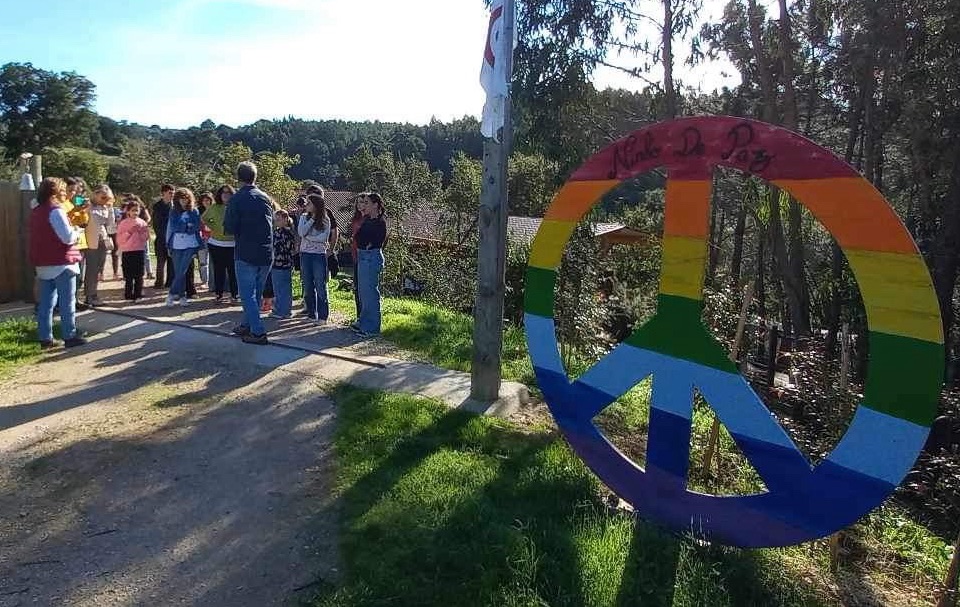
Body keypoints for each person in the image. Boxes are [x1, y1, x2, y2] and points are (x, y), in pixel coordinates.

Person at [29, 177, 88, 349]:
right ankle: (69, 335)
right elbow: (67, 237)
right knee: (67, 301)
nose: (67, 194)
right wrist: (77, 231)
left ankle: (45, 338)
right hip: (62, 262)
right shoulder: (56, 211)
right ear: (55, 192)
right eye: (63, 190)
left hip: (43, 263)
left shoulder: (36, 210)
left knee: (46, 303)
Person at [223, 161, 274, 345]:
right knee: (256, 293)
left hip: (246, 252)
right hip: (266, 252)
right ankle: (247, 324)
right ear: (255, 177)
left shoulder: (236, 199)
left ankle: (258, 332)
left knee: (247, 295)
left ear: (239, 178)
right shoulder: (264, 197)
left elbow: (229, 227)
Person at [353, 192, 387, 337]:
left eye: (367, 202)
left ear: (375, 205)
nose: (364, 205)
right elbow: (358, 237)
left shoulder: (380, 222)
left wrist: (366, 244)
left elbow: (376, 240)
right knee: (363, 293)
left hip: (370, 257)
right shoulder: (366, 219)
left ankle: (372, 328)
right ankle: (364, 322)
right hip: (362, 256)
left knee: (370, 294)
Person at [297, 192, 333, 325]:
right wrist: (312, 219)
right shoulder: (303, 217)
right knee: (307, 284)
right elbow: (301, 233)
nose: (306, 205)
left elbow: (323, 238)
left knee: (320, 285)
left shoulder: (326, 220)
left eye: (309, 203)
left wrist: (309, 238)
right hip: (305, 254)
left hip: (318, 255)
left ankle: (323, 316)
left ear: (317, 205)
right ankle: (311, 314)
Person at [165, 187, 202, 307]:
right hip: (176, 244)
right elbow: (175, 227)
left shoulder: (194, 211)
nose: (184, 201)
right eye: (181, 199)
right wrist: (187, 226)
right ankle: (181, 296)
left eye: (186, 199)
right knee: (178, 272)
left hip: (190, 244)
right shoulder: (173, 211)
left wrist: (187, 227)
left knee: (183, 270)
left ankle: (171, 294)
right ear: (177, 199)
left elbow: (196, 226)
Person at [202, 184, 238, 303]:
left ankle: (234, 295)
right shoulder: (214, 207)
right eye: (224, 193)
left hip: (233, 244)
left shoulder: (236, 207)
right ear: (220, 194)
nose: (226, 195)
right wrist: (213, 228)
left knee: (233, 271)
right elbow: (204, 218)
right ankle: (219, 294)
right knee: (219, 270)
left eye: (229, 193)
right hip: (216, 244)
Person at [83, 184, 117, 306]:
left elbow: (111, 228)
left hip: (103, 240)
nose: (105, 200)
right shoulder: (89, 206)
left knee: (98, 269)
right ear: (95, 195)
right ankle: (89, 295)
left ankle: (94, 294)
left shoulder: (106, 208)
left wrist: (111, 209)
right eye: (103, 197)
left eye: (107, 198)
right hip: (91, 240)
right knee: (91, 269)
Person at [117, 199, 150, 301]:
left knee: (139, 274)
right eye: (133, 210)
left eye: (137, 210)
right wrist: (129, 232)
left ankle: (138, 293)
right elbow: (120, 239)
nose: (135, 212)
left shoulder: (142, 223)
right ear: (128, 211)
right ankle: (128, 294)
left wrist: (141, 233)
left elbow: (146, 237)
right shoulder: (123, 223)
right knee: (129, 275)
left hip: (139, 250)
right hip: (127, 251)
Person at [270, 209, 295, 319]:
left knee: (281, 288)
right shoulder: (287, 232)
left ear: (285, 219)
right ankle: (282, 309)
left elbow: (286, 247)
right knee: (281, 287)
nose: (277, 222)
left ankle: (282, 310)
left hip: (281, 262)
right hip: (282, 263)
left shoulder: (284, 233)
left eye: (279, 220)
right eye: (275, 220)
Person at [152, 184, 175, 289]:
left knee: (171, 262)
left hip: (172, 239)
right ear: (163, 193)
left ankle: (170, 283)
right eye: (170, 192)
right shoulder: (157, 206)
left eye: (173, 193)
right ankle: (159, 282)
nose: (172, 195)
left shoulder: (175, 206)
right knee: (160, 263)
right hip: (161, 239)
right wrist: (163, 237)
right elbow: (156, 225)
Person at [348, 194, 364, 322]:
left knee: (365, 288)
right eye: (358, 202)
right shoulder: (355, 219)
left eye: (364, 202)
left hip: (366, 255)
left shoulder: (370, 219)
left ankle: (365, 316)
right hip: (355, 254)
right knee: (357, 287)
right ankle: (359, 316)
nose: (361, 205)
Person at [196, 191, 214, 288]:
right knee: (203, 261)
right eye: (204, 200)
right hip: (202, 238)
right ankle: (204, 281)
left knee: (213, 261)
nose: (206, 202)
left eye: (208, 200)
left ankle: (213, 281)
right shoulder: (198, 211)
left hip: (214, 238)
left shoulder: (215, 210)